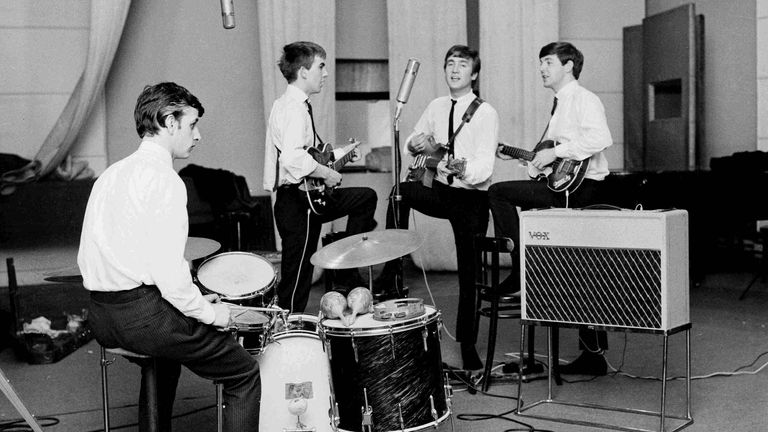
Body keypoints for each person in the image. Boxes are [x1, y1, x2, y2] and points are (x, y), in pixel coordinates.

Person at [78, 82, 260, 431]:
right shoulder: (165, 179)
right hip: (143, 319)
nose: (198, 135)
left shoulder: (110, 175)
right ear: (168, 120)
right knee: (243, 373)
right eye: (192, 124)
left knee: (165, 355)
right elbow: (168, 274)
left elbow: (96, 254)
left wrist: (183, 304)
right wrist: (211, 313)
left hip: (101, 316)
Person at [488, 42, 613, 376]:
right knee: (579, 269)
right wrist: (528, 159)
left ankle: (518, 266)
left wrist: (556, 153)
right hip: (565, 187)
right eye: (540, 62)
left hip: (584, 191)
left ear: (568, 65)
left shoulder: (584, 98)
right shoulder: (558, 107)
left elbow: (600, 138)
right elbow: (547, 163)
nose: (542, 68)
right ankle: (593, 355)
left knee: (498, 193)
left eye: (547, 62)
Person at [374, 45, 499, 371]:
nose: (454, 69)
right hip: (441, 191)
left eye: (462, 65)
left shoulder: (485, 113)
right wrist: (413, 143)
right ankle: (391, 268)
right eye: (449, 64)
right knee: (401, 192)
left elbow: (484, 168)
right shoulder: (436, 105)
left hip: (471, 199)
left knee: (470, 275)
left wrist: (458, 167)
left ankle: (467, 345)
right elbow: (414, 138)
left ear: (473, 73)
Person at [263, 41, 377, 313]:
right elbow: (291, 158)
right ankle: (287, 333)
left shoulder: (298, 106)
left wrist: (342, 155)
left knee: (365, 198)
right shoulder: (292, 108)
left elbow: (312, 154)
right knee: (296, 278)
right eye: (321, 66)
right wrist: (327, 174)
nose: (325, 73)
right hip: (295, 202)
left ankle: (348, 269)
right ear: (303, 71)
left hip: (307, 199)